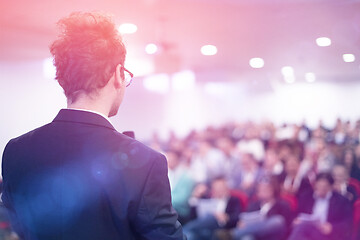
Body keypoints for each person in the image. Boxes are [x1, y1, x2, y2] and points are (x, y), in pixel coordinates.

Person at [1, 12, 185, 240]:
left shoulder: (15, 151)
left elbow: (17, 226)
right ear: (118, 74)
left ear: (62, 78)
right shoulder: (147, 163)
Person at [214, 176, 292, 240]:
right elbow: (245, 219)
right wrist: (241, 224)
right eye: (261, 188)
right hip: (255, 235)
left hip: (272, 236)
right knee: (247, 238)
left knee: (278, 220)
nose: (263, 190)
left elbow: (286, 226)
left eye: (266, 188)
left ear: (273, 189)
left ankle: (232, 234)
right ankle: (235, 234)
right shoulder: (253, 205)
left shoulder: (282, 205)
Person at [288, 172, 352, 240]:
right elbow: (295, 213)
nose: (321, 189)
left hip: (327, 234)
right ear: (315, 185)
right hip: (308, 229)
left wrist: (332, 227)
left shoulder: (341, 201)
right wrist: (295, 220)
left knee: (301, 229)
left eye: (325, 187)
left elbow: (347, 223)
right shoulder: (306, 196)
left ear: (331, 187)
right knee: (302, 228)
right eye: (319, 186)